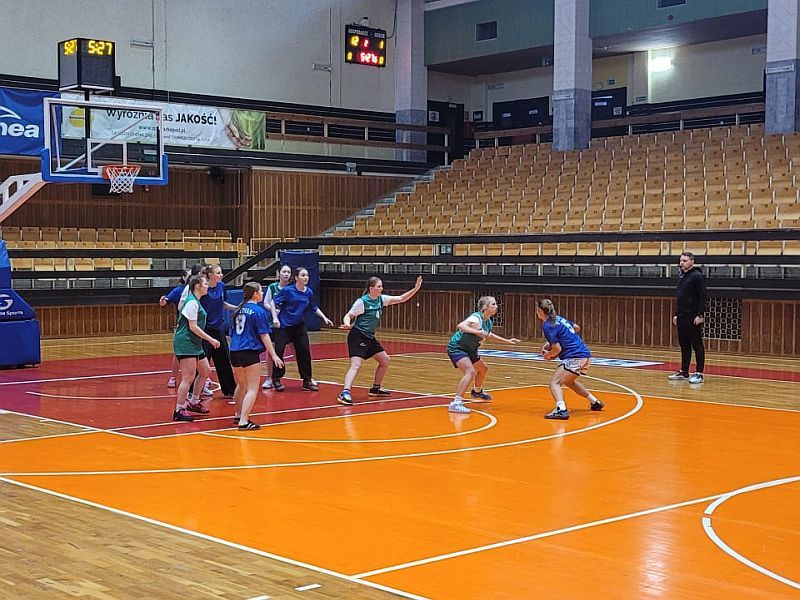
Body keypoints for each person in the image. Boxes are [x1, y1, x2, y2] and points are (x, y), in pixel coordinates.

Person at [337, 275, 423, 406]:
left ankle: (375, 388)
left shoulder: (381, 299)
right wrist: (347, 324)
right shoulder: (362, 302)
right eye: (378, 286)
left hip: (370, 337)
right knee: (356, 365)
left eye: (381, 286)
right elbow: (349, 315)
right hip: (358, 336)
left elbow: (401, 299)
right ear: (371, 288)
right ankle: (345, 392)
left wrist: (415, 288)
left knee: (385, 360)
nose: (381, 288)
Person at [446, 296, 520, 414]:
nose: (496, 306)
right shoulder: (476, 318)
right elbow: (461, 326)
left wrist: (508, 341)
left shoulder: (488, 322)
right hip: (457, 347)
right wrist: (478, 331)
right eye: (493, 304)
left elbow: (490, 336)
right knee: (470, 371)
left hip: (470, 350)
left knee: (483, 368)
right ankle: (456, 403)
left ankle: (477, 391)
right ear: (485, 307)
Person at [535, 299, 604, 420]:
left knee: (555, 382)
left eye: (537, 309)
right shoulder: (559, 319)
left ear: (540, 311)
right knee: (569, 382)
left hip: (574, 356)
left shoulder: (547, 326)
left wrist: (548, 355)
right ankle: (595, 402)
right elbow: (576, 328)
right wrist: (551, 343)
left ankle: (561, 410)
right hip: (585, 354)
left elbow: (557, 349)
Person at [229, 282, 284, 430]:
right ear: (255, 294)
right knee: (252, 388)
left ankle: (238, 414)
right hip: (249, 351)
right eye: (261, 291)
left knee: (241, 385)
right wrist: (274, 355)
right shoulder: (258, 311)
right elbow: (264, 335)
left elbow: (232, 333)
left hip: (234, 351)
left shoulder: (238, 310)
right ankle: (243, 421)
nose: (262, 293)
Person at [271, 267, 334, 391]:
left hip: (299, 326)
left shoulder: (308, 292)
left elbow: (314, 307)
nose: (306, 278)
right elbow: (273, 302)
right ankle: (276, 378)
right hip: (284, 326)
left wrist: (324, 317)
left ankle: (307, 380)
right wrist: (275, 318)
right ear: (296, 278)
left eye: (307, 275)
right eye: (303, 275)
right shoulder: (288, 291)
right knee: (279, 351)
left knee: (304, 352)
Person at [172, 276, 221, 422]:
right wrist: (210, 339)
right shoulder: (192, 302)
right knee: (188, 378)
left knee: (205, 371)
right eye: (205, 284)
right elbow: (193, 327)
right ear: (197, 286)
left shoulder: (196, 301)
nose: (207, 286)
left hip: (194, 343)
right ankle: (179, 409)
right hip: (186, 342)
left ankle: (194, 402)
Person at [669, 251, 707, 384]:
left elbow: (702, 296)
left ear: (692, 262)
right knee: (684, 345)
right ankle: (684, 371)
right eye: (681, 260)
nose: (682, 263)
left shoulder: (697, 276)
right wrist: (676, 314)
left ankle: (699, 373)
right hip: (682, 316)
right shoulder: (681, 276)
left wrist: (700, 315)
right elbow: (680, 298)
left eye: (685, 261)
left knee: (697, 345)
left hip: (693, 316)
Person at [200, 264, 237, 398]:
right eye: (218, 273)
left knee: (224, 359)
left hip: (218, 327)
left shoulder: (221, 286)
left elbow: (223, 303)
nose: (221, 275)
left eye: (221, 272)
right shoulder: (202, 287)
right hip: (204, 328)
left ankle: (230, 390)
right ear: (210, 275)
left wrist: (236, 308)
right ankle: (196, 390)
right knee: (203, 360)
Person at [261, 264, 293, 390]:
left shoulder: (292, 289)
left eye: (288, 272)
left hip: (288, 324)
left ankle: (306, 377)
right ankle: (269, 378)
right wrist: (274, 311)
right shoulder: (272, 287)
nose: (286, 274)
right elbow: (266, 303)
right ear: (279, 273)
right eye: (284, 272)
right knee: (271, 351)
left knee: (297, 349)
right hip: (273, 323)